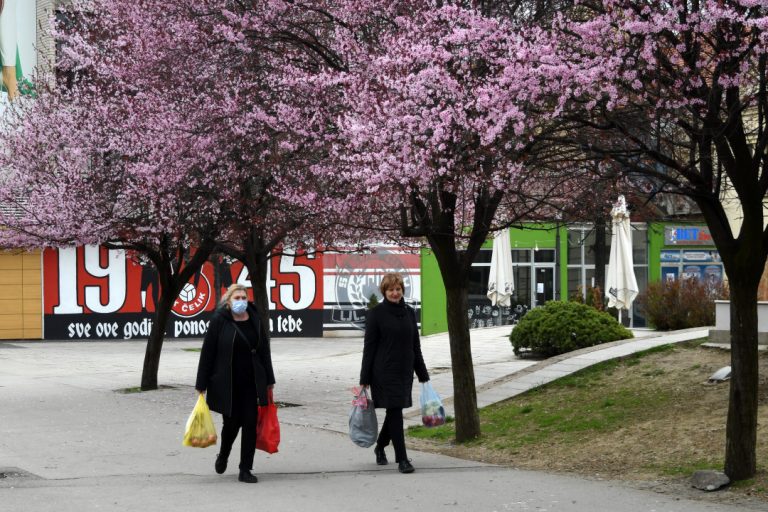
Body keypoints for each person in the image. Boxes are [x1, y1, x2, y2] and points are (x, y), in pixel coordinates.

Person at [195, 283, 275, 483]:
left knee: (249, 424)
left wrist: (270, 379)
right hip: (227, 384)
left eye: (243, 298)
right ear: (228, 302)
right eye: (237, 298)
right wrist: (201, 382)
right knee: (231, 425)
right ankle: (223, 455)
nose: (241, 301)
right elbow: (208, 352)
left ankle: (245, 469)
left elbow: (264, 349)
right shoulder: (219, 321)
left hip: (251, 382)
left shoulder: (255, 319)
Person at [360, 273, 430, 474]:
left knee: (394, 411)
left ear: (402, 290)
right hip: (383, 372)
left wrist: (422, 373)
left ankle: (380, 446)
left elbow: (415, 345)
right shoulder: (376, 314)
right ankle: (403, 459)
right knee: (396, 411)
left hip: (404, 371)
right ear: (384, 291)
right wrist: (364, 379)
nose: (394, 293)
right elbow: (369, 348)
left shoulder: (409, 312)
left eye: (398, 289)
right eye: (390, 289)